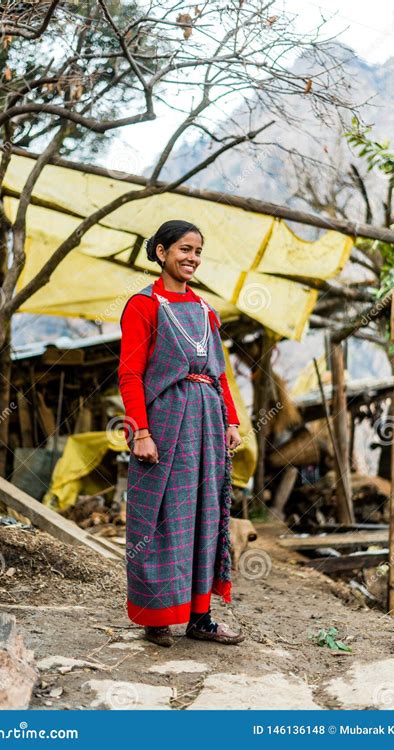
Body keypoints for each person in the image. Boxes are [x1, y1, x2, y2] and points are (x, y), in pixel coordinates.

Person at [118, 219, 244, 647]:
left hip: (207, 423)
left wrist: (230, 421)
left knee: (206, 515)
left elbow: (219, 374)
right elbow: (130, 374)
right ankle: (157, 617)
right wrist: (140, 432)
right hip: (166, 421)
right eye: (184, 250)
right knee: (164, 518)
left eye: (197, 251)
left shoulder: (207, 310)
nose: (191, 258)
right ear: (161, 252)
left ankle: (201, 617)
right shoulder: (143, 305)